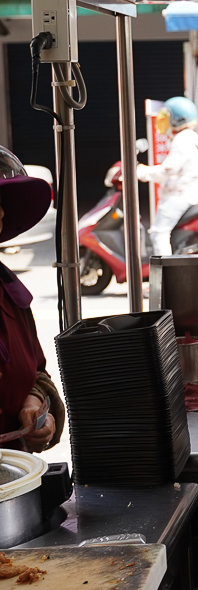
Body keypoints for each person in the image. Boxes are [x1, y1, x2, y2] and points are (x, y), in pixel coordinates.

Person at [0, 146, 64, 454]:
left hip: (16, 482)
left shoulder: (10, 292)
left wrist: (35, 403)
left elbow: (37, 374)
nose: (0, 214)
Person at [137, 96, 198, 255]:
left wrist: (142, 172)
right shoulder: (189, 138)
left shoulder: (182, 140)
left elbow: (167, 170)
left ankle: (165, 275)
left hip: (178, 196)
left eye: (167, 118)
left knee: (158, 233)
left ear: (178, 119)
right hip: (187, 194)